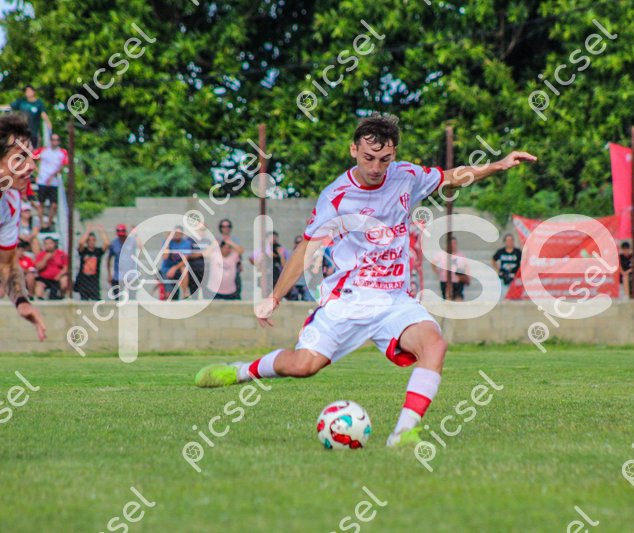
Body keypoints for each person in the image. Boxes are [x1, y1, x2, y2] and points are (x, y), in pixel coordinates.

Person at [194, 114, 536, 447]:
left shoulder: (406, 176)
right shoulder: (336, 196)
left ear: (394, 154)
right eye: (369, 157)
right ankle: (241, 371)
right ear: (354, 150)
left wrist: (498, 165)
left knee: (434, 345)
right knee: (303, 365)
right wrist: (275, 297)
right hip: (349, 299)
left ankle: (404, 433)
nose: (376, 167)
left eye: (385, 159)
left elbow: (450, 177)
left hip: (395, 300)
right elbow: (306, 248)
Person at [0, 112, 47, 340]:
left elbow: (6, 264)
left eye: (31, 158)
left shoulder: (10, 202)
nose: (31, 167)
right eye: (20, 158)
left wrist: (21, 301)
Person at [32, 133, 69, 231]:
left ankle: (48, 223)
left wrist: (53, 175)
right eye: (53, 139)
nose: (54, 142)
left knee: (54, 204)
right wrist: (37, 171)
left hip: (54, 182)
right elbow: (32, 157)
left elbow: (63, 165)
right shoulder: (43, 150)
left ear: (59, 141)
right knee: (41, 203)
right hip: (42, 181)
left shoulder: (62, 152)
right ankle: (41, 223)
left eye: (56, 140)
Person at [75, 224, 109, 301]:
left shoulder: (98, 252)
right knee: (84, 301)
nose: (91, 242)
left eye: (93, 240)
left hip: (94, 282)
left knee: (96, 301)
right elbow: (81, 243)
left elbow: (107, 243)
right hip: (83, 281)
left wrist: (101, 231)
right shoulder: (84, 251)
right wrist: (88, 231)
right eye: (89, 240)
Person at [433, 236, 470, 301]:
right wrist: (436, 271)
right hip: (445, 281)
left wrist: (467, 277)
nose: (453, 245)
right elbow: (433, 263)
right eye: (451, 244)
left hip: (458, 281)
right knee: (447, 299)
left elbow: (466, 267)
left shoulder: (461, 255)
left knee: (458, 298)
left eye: (454, 243)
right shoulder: (442, 254)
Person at [218, 218, 244, 298]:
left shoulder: (234, 239)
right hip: (220, 267)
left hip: (233, 267)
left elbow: (241, 251)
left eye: (228, 226)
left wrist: (229, 242)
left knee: (236, 290)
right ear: (220, 228)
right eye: (223, 226)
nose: (226, 228)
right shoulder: (217, 239)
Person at [492, 233, 522, 299]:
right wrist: (497, 269)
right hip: (503, 276)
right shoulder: (501, 251)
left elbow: (523, 261)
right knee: (504, 295)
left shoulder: (518, 252)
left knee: (515, 296)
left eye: (511, 240)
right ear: (505, 242)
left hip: (515, 277)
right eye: (508, 240)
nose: (509, 242)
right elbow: (493, 260)